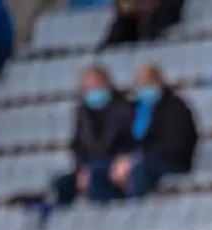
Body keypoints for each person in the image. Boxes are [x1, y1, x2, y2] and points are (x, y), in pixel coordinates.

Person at [109, 63, 199, 199]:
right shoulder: (135, 109)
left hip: (173, 160)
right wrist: (123, 158)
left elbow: (176, 143)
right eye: (142, 84)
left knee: (138, 171)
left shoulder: (174, 107)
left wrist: (137, 158)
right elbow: (125, 138)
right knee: (103, 172)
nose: (145, 88)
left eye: (149, 83)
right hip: (143, 158)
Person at [51, 66, 133, 206]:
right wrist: (82, 168)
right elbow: (77, 145)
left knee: (97, 175)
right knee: (62, 183)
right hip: (90, 164)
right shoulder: (83, 113)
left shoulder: (124, 108)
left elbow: (130, 140)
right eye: (89, 86)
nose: (93, 90)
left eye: (96, 85)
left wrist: (123, 160)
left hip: (115, 161)